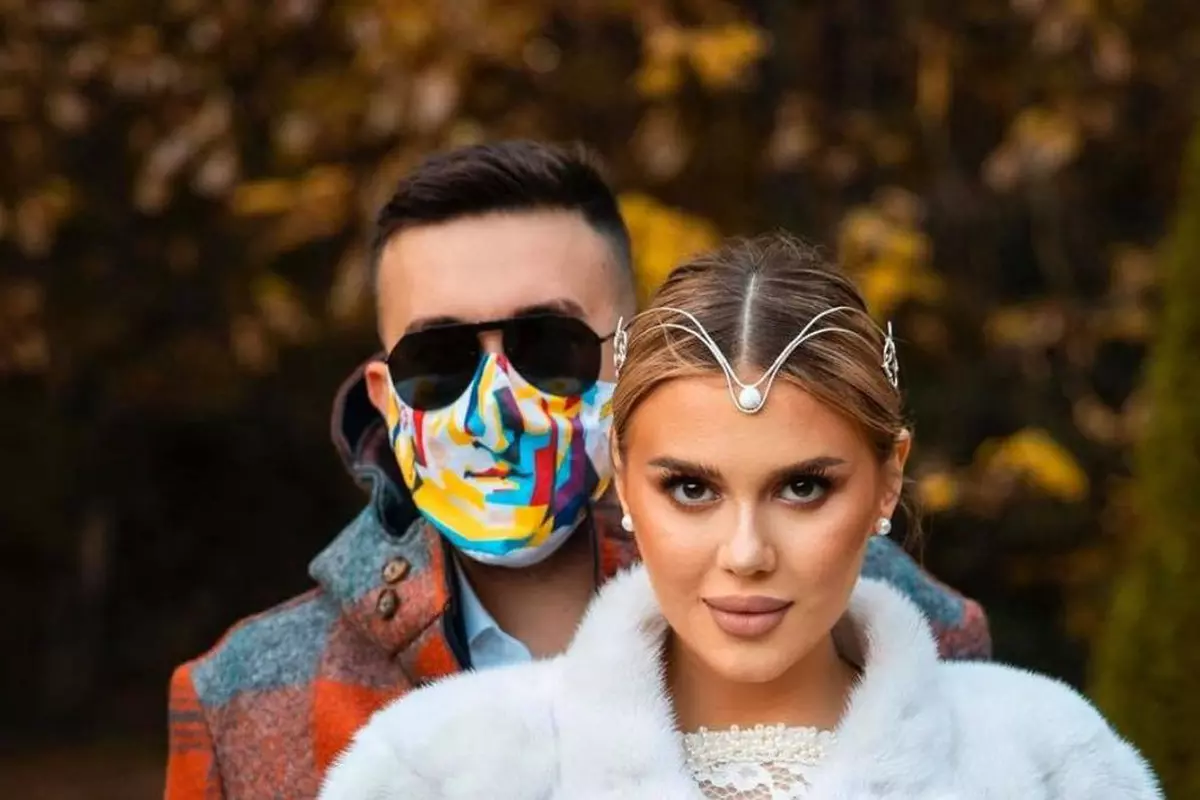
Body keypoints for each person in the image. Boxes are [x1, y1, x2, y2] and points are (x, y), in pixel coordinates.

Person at [165, 143, 991, 799]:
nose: (497, 409)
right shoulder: (245, 697)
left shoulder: (895, 630)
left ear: (633, 364)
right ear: (384, 396)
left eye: (548, 347)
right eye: (439, 360)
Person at [319, 233, 1160, 800]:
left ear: (887, 482)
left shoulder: (1042, 764)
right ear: (622, 482)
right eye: (692, 489)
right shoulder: (443, 770)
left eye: (803, 488)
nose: (747, 552)